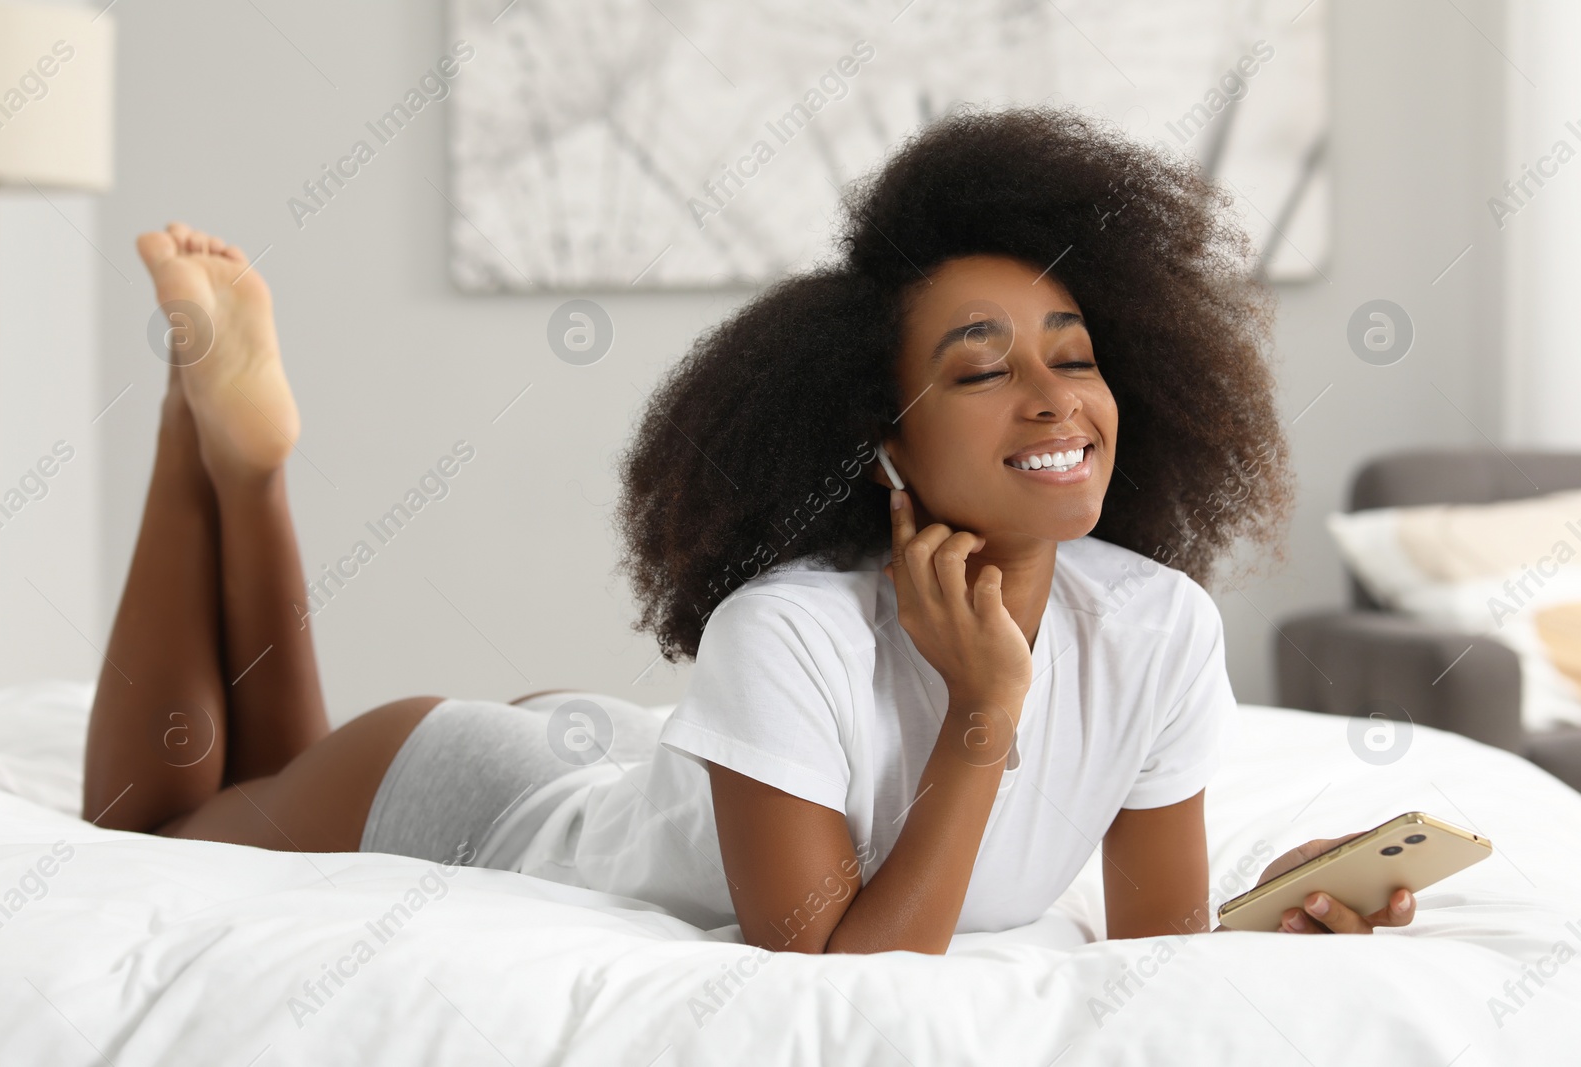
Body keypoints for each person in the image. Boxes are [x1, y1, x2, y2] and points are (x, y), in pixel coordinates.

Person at [82, 105, 1416, 953]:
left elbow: (1155, 950)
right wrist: (980, 716)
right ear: (884, 441)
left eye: (1075, 356)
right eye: (978, 368)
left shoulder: (1156, 627)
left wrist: (1276, 915)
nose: (1053, 398)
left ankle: (242, 455)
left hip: (641, 760)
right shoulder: (787, 630)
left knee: (256, 772)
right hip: (500, 798)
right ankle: (218, 450)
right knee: (155, 824)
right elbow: (836, 976)